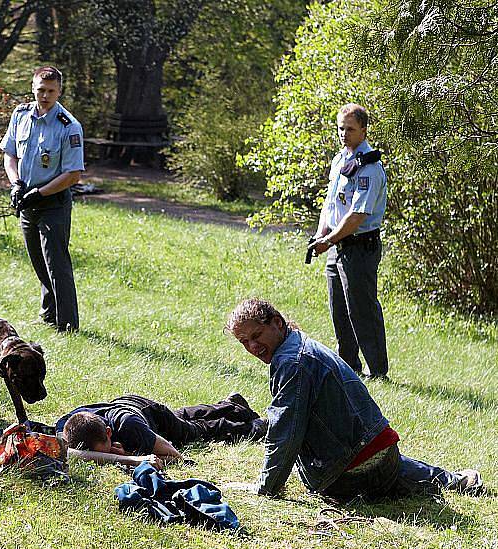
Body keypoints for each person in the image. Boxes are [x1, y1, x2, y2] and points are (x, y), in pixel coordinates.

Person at [224, 298, 484, 501]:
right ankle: (454, 481)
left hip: (354, 473)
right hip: (385, 453)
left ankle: (439, 482)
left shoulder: (291, 362)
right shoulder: (300, 343)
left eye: (256, 336)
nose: (252, 348)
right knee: (379, 462)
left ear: (277, 323)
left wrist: (266, 487)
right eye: (244, 342)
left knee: (364, 466)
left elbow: (286, 433)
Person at [0, 66, 84, 332]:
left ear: (59, 91)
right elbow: (10, 154)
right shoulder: (21, 115)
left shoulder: (69, 127)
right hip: (25, 200)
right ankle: (48, 314)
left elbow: (73, 175)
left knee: (57, 264)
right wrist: (16, 184)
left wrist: (40, 192)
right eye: (41, 90)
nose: (45, 95)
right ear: (33, 88)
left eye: (51, 91)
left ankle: (67, 325)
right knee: (38, 262)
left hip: (52, 203)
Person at [309, 103, 388, 378]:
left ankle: (377, 371)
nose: (344, 134)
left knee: (362, 311)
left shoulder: (370, 167)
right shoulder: (340, 160)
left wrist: (328, 240)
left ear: (364, 130)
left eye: (350, 129)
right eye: (341, 128)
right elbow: (331, 205)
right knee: (339, 311)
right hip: (336, 246)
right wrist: (321, 234)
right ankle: (349, 367)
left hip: (359, 246)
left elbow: (357, 215)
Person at [56, 393, 266, 468]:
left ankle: (255, 428)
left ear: (109, 433)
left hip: (147, 414)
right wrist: (127, 457)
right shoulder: (64, 426)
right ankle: (231, 405)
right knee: (182, 416)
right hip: (127, 407)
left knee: (192, 431)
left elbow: (175, 456)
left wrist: (133, 456)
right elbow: (69, 452)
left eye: (105, 449)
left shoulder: (130, 428)